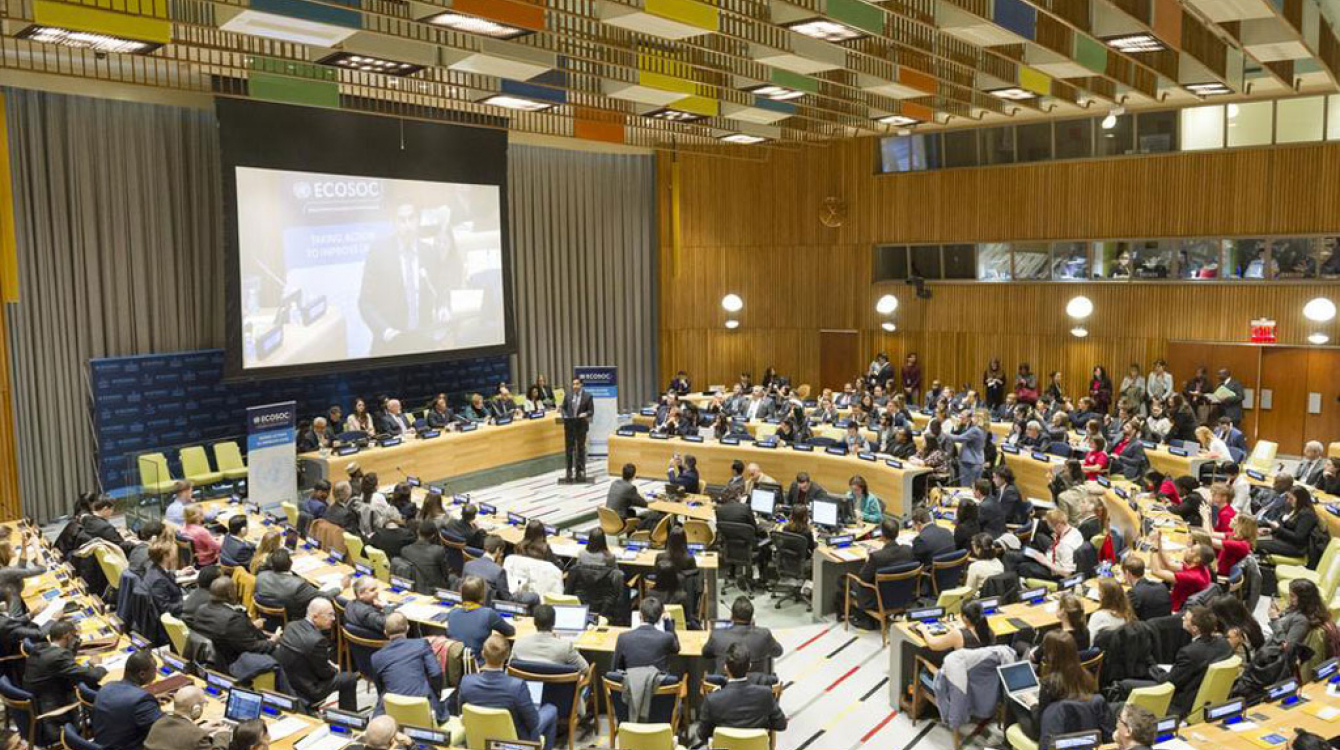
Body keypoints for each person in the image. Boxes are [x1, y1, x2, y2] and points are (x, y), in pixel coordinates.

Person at [1121, 606, 1232, 716]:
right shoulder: (1224, 644)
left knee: (1123, 685)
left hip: (1181, 701)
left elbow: (1168, 681)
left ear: (1195, 628)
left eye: (1186, 618)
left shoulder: (1189, 653)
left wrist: (1154, 669)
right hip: (1204, 696)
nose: (1182, 618)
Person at [451, 634, 558, 749]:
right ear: (507, 656)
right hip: (514, 744)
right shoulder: (517, 686)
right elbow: (534, 722)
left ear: (483, 653)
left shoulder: (466, 682)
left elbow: (461, 715)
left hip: (480, 741)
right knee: (551, 709)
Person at [24, 621, 108, 743]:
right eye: (75, 636)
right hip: (55, 714)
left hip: (40, 703)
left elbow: (66, 664)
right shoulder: (58, 657)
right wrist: (99, 665)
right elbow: (92, 676)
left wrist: (75, 650)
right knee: (95, 689)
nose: (77, 640)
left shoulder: (41, 648)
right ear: (67, 636)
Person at [693, 642, 787, 747]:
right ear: (749, 666)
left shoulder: (712, 699)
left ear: (726, 668)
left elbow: (702, 734)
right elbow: (781, 724)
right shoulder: (765, 694)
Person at [276, 597, 359, 711]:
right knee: (349, 678)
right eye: (329, 615)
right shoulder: (317, 641)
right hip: (309, 689)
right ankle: (347, 718)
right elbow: (324, 673)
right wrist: (335, 669)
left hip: (288, 681)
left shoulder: (291, 626)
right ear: (315, 617)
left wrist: (325, 663)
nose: (333, 619)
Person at [1013, 631, 1096, 743]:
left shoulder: (1050, 684)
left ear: (1051, 654)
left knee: (1012, 700)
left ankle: (1006, 744)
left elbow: (1040, 723)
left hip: (1050, 735)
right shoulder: (1086, 675)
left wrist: (1033, 703)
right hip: (1080, 728)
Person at [193, 577, 281, 676]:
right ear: (230, 593)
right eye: (234, 588)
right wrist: (273, 640)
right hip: (232, 662)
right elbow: (252, 647)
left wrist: (250, 626)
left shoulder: (201, 609)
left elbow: (226, 633)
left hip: (210, 658)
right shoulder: (232, 620)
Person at [372, 612, 447, 722]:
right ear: (407, 628)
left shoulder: (376, 657)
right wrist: (436, 693)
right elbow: (435, 673)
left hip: (392, 711)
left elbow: (380, 688)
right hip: (424, 709)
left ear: (385, 632)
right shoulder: (421, 644)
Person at [92, 649, 162, 750]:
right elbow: (163, 727)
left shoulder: (106, 687)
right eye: (155, 669)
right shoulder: (141, 700)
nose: (157, 672)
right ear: (142, 674)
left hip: (102, 744)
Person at [844, 518, 914, 616]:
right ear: (897, 534)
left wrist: (867, 561)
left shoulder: (876, 557)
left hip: (879, 600)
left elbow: (863, 578)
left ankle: (856, 616)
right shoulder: (908, 550)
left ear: (882, 536)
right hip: (903, 597)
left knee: (843, 580)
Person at [701, 597, 783, 676]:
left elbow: (706, 653)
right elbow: (778, 652)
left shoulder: (717, 635)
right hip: (756, 686)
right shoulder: (764, 635)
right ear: (751, 618)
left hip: (725, 686)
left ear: (731, 616)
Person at [256, 548, 343, 620]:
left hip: (266, 618)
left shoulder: (260, 576)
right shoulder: (298, 585)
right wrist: (340, 586)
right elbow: (324, 597)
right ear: (290, 564)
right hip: (293, 621)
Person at [446, 575, 516, 655]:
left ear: (461, 594)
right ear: (482, 594)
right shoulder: (488, 614)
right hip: (478, 664)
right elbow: (510, 631)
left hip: (455, 663)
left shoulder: (452, 613)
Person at [511, 604, 588, 670]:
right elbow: (585, 669)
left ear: (534, 622)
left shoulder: (519, 644)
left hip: (525, 686)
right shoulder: (565, 647)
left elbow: (509, 670)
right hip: (556, 687)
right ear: (554, 622)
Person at [1148, 534, 1214, 612]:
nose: (1187, 550)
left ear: (1196, 559)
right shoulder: (1201, 568)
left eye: (1191, 550)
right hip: (1175, 600)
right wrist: (1158, 542)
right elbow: (1168, 565)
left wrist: (1154, 549)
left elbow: (1156, 571)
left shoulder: (1193, 576)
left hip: (1175, 610)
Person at [612, 597, 680, 672]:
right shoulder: (667, 637)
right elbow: (676, 648)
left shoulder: (623, 638)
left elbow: (615, 668)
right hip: (658, 683)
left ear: (640, 615)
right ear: (660, 617)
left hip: (630, 682)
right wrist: (667, 622)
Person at [143, 686, 221, 750]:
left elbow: (179, 736)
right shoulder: (197, 736)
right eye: (203, 704)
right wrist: (222, 734)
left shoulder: (159, 722)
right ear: (196, 709)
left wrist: (198, 729)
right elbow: (190, 737)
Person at [1257, 486, 1319, 558]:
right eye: (1288, 498)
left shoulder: (1308, 515)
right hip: (1281, 539)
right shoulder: (1292, 508)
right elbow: (1281, 524)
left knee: (1254, 543)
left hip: (1294, 547)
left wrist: (1278, 529)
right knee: (1251, 537)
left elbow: (1298, 538)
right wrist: (1271, 530)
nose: (1288, 501)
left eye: (1291, 499)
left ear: (1300, 499)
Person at [400, 522, 454, 593]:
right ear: (433, 536)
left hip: (412, 586)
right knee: (454, 578)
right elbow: (445, 574)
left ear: (418, 531)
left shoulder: (404, 550)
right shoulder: (439, 551)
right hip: (433, 589)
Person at [560, 377, 594, 481]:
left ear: (581, 385)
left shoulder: (588, 396)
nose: (575, 386)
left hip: (581, 426)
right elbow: (563, 408)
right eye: (573, 384)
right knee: (569, 449)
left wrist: (585, 413)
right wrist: (564, 415)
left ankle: (580, 470)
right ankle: (569, 471)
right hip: (569, 426)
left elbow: (591, 411)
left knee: (580, 448)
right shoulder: (568, 395)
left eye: (577, 384)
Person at [462, 535, 512, 604]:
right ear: (498, 550)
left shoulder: (468, 565)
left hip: (468, 604)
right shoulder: (499, 571)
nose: (502, 554)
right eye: (502, 552)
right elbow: (506, 598)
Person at [1120, 556, 1171, 621]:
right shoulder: (1162, 586)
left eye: (1123, 574)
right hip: (1163, 627)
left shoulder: (1134, 593)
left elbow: (1123, 613)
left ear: (1127, 573)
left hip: (1147, 629)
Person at [945, 410, 987, 485]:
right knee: (974, 488)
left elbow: (959, 438)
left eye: (974, 416)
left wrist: (945, 434)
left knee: (966, 487)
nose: (972, 418)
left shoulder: (975, 430)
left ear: (979, 419)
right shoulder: (982, 429)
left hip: (970, 463)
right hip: (976, 462)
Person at [143, 543, 184, 618]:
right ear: (165, 556)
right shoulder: (159, 581)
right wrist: (186, 603)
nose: (176, 556)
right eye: (174, 553)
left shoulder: (155, 567)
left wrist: (180, 573)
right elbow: (165, 609)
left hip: (175, 599)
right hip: (173, 616)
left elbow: (167, 573)